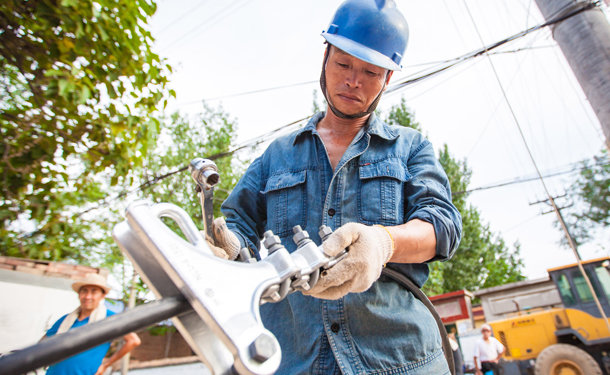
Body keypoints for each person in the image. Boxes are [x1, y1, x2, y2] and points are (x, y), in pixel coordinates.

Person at [205, 0, 462, 373]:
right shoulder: (277, 155)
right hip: (295, 360)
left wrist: (383, 242)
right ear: (325, 59)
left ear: (387, 79)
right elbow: (236, 225)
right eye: (343, 64)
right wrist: (225, 248)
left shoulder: (410, 147)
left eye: (370, 72)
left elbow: (442, 226)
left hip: (398, 358)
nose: (353, 80)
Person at [42, 273, 141, 375]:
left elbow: (133, 341)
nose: (87, 296)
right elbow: (43, 342)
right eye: (84, 291)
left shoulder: (109, 318)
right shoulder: (66, 319)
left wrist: (105, 365)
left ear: (102, 296)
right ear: (79, 294)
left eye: (94, 292)